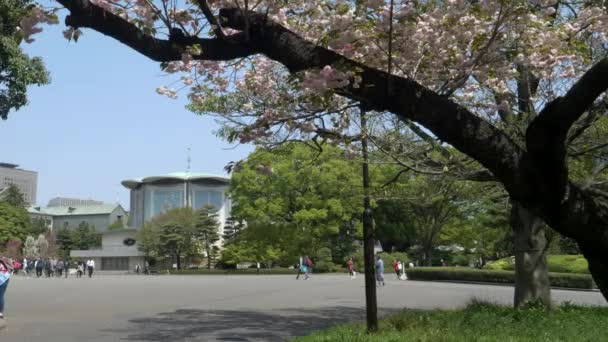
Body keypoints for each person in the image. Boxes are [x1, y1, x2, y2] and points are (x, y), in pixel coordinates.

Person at [0, 257, 13, 329]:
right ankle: (1, 313)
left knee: (0, 295)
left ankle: (0, 313)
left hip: (2, 278)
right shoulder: (2, 259)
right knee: (1, 295)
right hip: (6, 277)